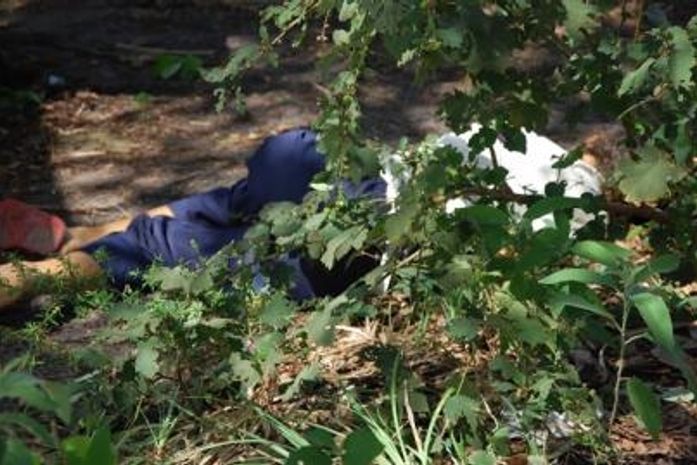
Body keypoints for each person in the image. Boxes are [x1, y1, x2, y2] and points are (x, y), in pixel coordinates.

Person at [0, 127, 602, 313]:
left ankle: (79, 240)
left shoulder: (532, 141)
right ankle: (45, 271)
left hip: (335, 175)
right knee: (182, 252)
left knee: (240, 202)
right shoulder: (576, 202)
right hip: (371, 236)